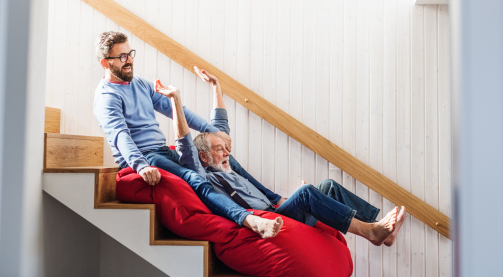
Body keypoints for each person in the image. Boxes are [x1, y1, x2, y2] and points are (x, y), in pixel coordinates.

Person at [155, 66, 406, 247]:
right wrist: (176, 100)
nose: (227, 150)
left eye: (225, 146)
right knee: (306, 193)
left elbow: (221, 126)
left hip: (277, 207)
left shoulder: (228, 165)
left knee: (328, 186)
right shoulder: (201, 174)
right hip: (272, 219)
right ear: (203, 156)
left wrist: (216, 86)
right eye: (219, 148)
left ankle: (382, 230)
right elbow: (184, 144)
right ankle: (371, 232)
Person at [93, 31, 282, 239]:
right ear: (105, 63)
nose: (129, 61)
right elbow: (121, 136)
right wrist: (141, 165)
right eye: (122, 57)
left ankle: (274, 200)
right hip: (145, 156)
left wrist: (212, 130)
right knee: (194, 177)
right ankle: (250, 220)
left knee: (222, 157)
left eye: (130, 54)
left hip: (162, 151)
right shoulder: (107, 97)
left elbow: (175, 108)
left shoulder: (139, 83)